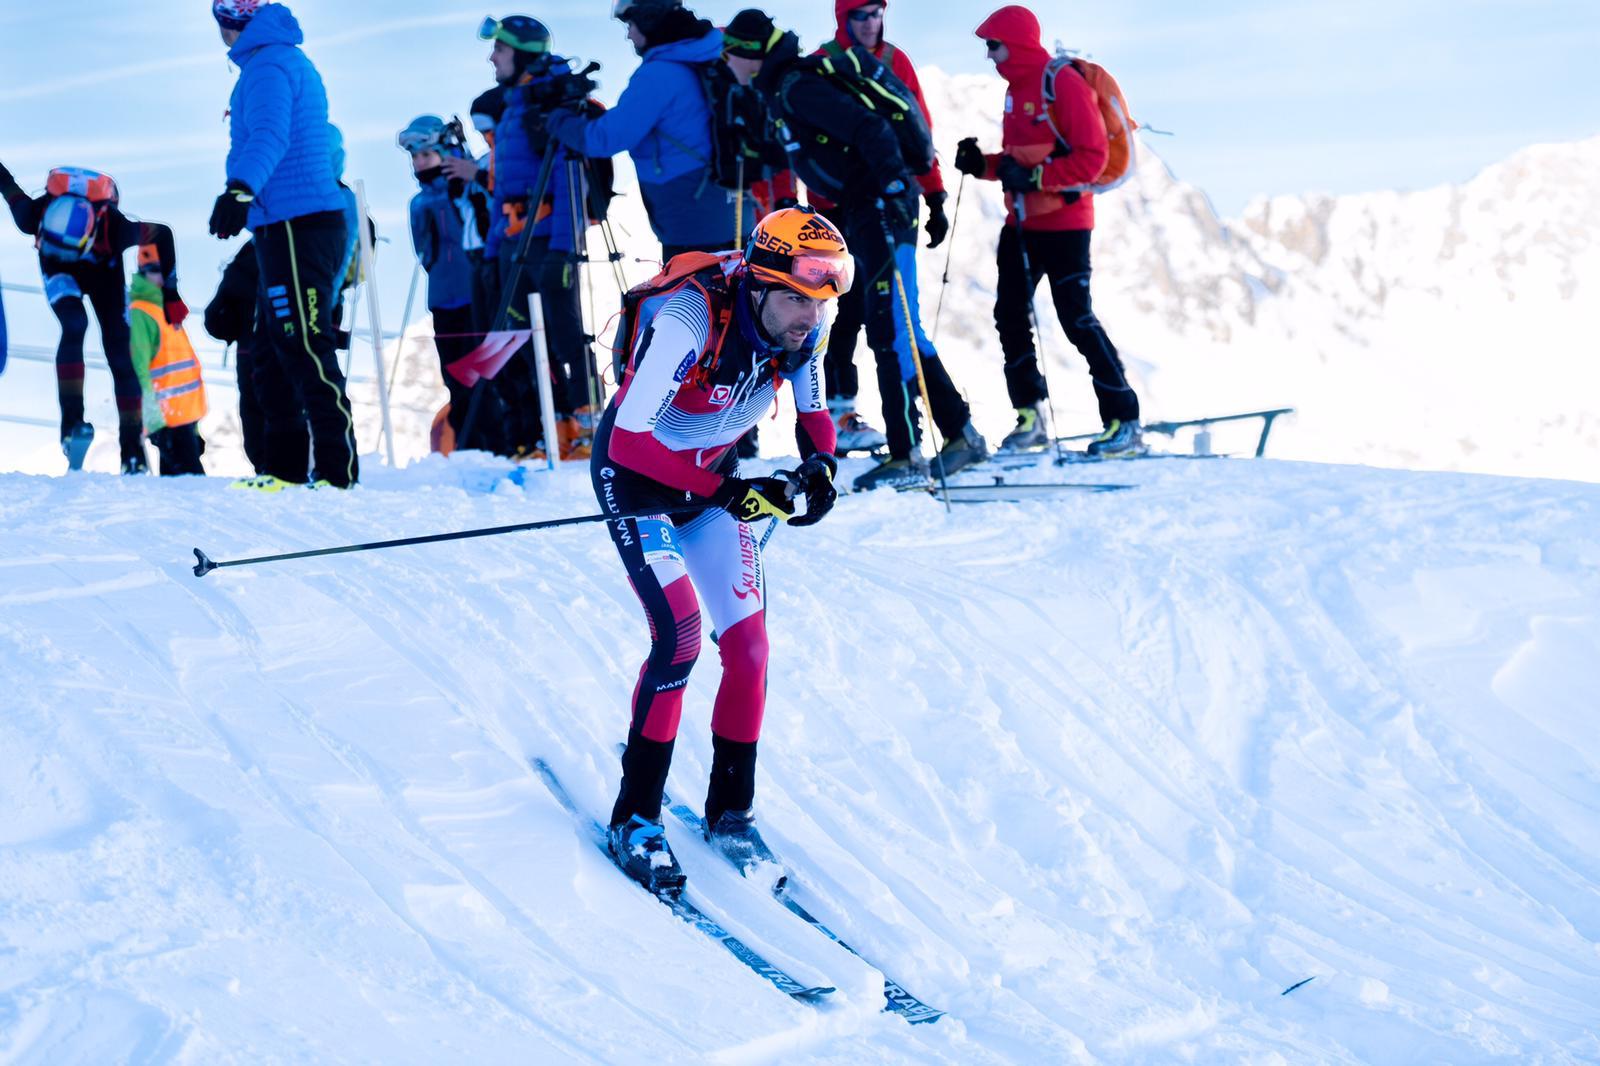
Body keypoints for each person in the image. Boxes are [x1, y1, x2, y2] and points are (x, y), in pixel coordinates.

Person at [593, 206, 849, 895]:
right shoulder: (689, 320)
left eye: (820, 299)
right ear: (759, 286)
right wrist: (722, 489)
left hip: (710, 480)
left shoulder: (802, 330)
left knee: (751, 650)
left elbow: (814, 412)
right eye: (797, 297)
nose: (810, 315)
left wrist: (820, 466)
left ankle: (731, 812)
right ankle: (635, 820)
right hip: (643, 481)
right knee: (677, 639)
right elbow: (628, 441)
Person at [755, 23, 986, 490]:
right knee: (896, 325)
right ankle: (956, 434)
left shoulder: (798, 87)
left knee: (892, 326)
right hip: (868, 211)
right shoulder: (787, 90)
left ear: (752, 56)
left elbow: (871, 128)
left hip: (881, 209)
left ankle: (912, 450)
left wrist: (897, 188)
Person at [957, 6, 1143, 457]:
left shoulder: (1060, 83)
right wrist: (984, 165)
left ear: (1016, 43)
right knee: (1010, 315)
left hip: (1065, 224)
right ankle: (1029, 416)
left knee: (1075, 319)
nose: (989, 55)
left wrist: (1036, 179)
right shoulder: (1015, 91)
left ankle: (1124, 421)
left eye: (993, 45)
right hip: (1020, 222)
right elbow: (1021, 161)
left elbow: (1092, 157)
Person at [208, 0, 359, 489]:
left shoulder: (271, 63)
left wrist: (239, 188)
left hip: (301, 222)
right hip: (280, 224)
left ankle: (338, 474)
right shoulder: (267, 62)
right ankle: (285, 471)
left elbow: (270, 134)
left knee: (306, 349)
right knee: (274, 352)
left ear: (234, 24)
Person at [812, 0, 949, 457]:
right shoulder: (823, 63)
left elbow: (917, 131)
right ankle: (840, 409)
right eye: (861, 15)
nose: (871, 23)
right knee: (843, 311)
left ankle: (913, 429)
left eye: (877, 13)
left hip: (891, 204)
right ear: (844, 19)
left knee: (889, 318)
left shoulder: (895, 61)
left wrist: (934, 194)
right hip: (839, 209)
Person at [0, 161, 184, 473]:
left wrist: (171, 293)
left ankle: (132, 449)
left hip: (104, 273)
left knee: (120, 353)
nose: (65, 253)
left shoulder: (117, 227)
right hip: (58, 272)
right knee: (74, 324)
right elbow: (4, 180)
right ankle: (71, 425)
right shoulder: (31, 215)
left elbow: (162, 235)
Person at [548, 1, 751, 261]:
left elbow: (604, 139)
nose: (628, 34)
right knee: (737, 297)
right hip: (734, 209)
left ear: (649, 21)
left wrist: (558, 119)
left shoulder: (660, 73)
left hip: (690, 222)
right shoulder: (708, 58)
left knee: (691, 300)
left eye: (631, 25)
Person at [476, 15, 591, 458]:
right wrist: (492, 250)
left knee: (564, 332)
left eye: (499, 50)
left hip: (548, 241)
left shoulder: (549, 106)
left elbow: (567, 182)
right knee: (519, 336)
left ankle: (587, 423)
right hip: (512, 242)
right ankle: (555, 427)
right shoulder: (514, 107)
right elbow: (499, 186)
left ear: (521, 54)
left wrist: (565, 244)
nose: (492, 57)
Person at [399, 115, 488, 447]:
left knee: (485, 371)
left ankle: (495, 440)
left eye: (426, 155)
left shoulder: (469, 185)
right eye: (415, 158)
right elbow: (424, 251)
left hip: (477, 291)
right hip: (442, 297)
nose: (420, 164)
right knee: (454, 374)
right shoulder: (419, 202)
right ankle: (468, 443)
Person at [128, 259, 207, 476]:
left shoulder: (167, 310)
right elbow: (139, 369)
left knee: (177, 492)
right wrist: (153, 421)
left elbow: (186, 371)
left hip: (183, 419)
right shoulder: (142, 311)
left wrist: (195, 427)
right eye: (159, 272)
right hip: (167, 420)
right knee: (192, 488)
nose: (166, 280)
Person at [203, 239, 271, 475]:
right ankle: (291, 466)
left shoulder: (238, 268)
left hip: (247, 351)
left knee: (252, 409)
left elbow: (212, 319)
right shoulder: (289, 256)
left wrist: (234, 330)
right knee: (286, 404)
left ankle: (262, 466)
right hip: (284, 347)